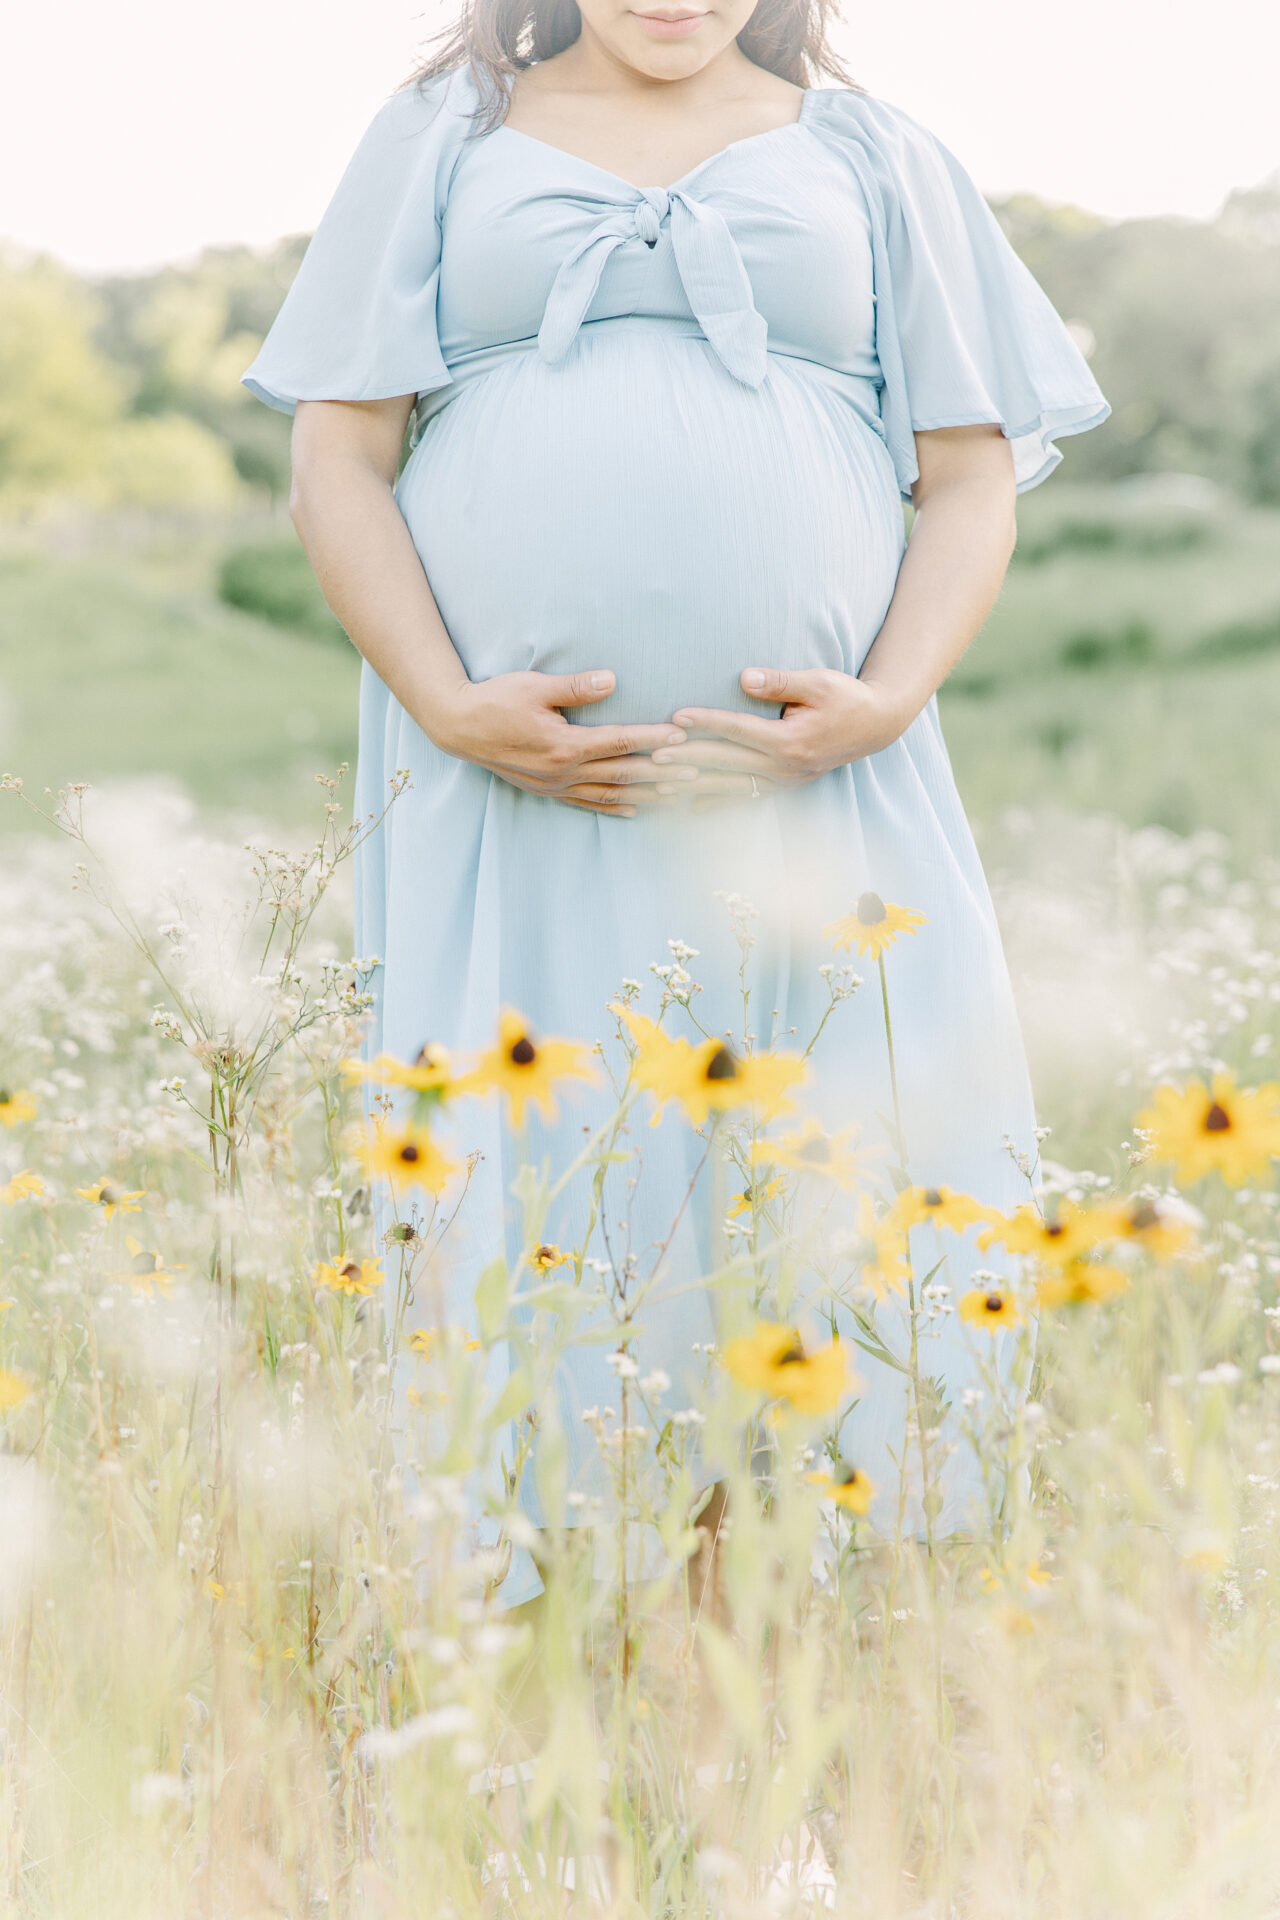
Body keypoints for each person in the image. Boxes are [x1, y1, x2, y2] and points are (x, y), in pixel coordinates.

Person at [241, 0, 1109, 1615]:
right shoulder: (447, 132)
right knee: (549, 1163)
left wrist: (891, 693)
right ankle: (569, 1651)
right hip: (518, 796)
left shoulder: (872, 151)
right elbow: (336, 460)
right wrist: (446, 699)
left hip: (816, 790)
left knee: (831, 1174)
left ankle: (805, 1647)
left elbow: (971, 472)